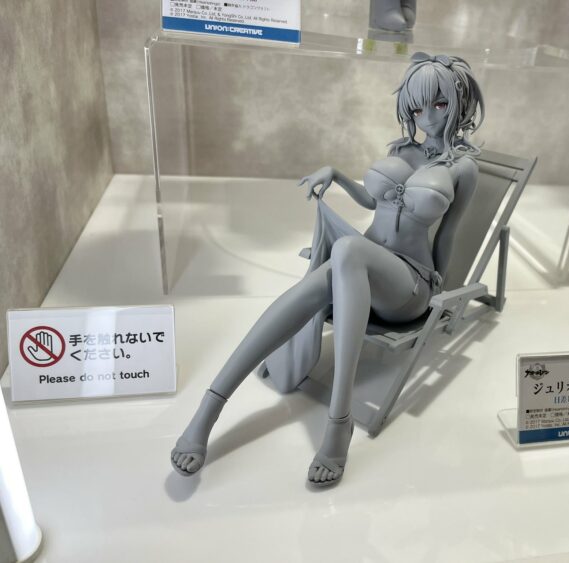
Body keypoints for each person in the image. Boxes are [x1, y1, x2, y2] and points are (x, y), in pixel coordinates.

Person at [171, 52, 485, 487]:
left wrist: (441, 296)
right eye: (416, 108)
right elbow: (375, 201)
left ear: (459, 101)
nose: (427, 117)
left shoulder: (464, 168)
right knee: (319, 279)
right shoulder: (402, 150)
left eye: (440, 104)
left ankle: (339, 419)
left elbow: (448, 236)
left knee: (348, 250)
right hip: (362, 267)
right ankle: (209, 408)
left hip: (409, 285)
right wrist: (337, 175)